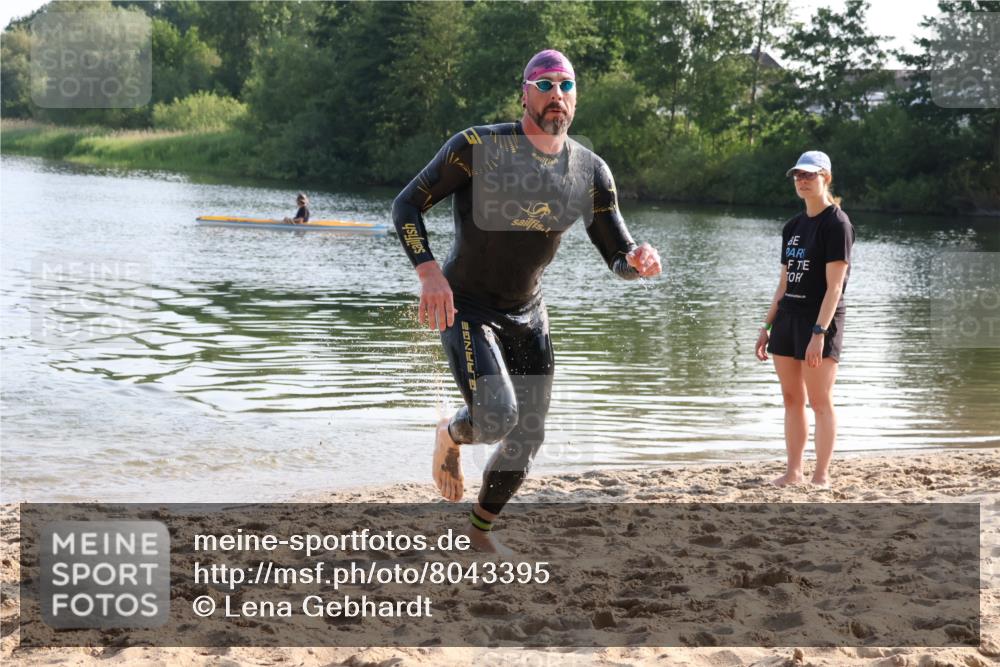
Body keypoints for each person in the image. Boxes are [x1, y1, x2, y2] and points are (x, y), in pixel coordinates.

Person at [392, 49, 662, 553]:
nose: (556, 94)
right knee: (495, 418)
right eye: (544, 84)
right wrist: (428, 272)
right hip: (466, 304)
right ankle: (450, 434)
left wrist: (638, 261)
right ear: (525, 94)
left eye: (566, 85)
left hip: (527, 313)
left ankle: (478, 533)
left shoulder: (590, 170)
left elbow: (618, 254)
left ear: (575, 97)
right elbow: (407, 203)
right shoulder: (476, 146)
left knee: (527, 436)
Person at [754, 151, 855, 488]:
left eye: (809, 175)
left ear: (825, 177)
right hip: (787, 319)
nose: (802, 181)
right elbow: (784, 282)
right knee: (791, 399)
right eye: (798, 175)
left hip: (819, 322)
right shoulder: (793, 227)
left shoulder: (837, 224)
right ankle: (793, 471)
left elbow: (835, 286)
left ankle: (821, 476)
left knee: (819, 401)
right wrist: (766, 326)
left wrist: (819, 332)